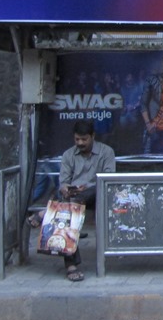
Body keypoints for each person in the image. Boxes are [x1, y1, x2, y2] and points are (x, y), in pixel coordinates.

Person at [28, 120, 115, 282]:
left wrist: (86, 187)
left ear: (92, 136)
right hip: (72, 198)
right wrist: (66, 189)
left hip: (97, 194)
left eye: (84, 139)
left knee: (74, 204)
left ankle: (46, 213)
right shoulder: (68, 155)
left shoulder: (106, 152)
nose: (80, 143)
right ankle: (71, 266)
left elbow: (108, 180)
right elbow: (63, 182)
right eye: (77, 139)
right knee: (67, 215)